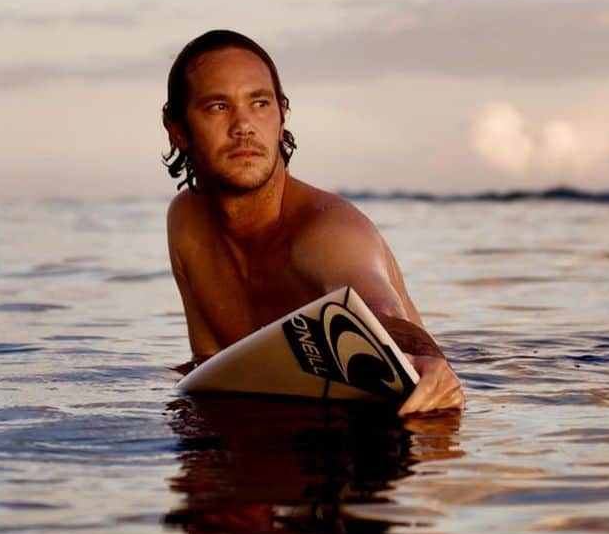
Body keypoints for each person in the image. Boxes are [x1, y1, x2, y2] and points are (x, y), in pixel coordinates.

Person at [162, 29, 463, 415]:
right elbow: (207, 367)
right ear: (177, 128)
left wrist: (422, 357)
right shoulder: (188, 222)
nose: (244, 126)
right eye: (218, 107)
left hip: (412, 407)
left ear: (282, 113)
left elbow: (378, 307)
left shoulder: (327, 231)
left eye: (260, 103)